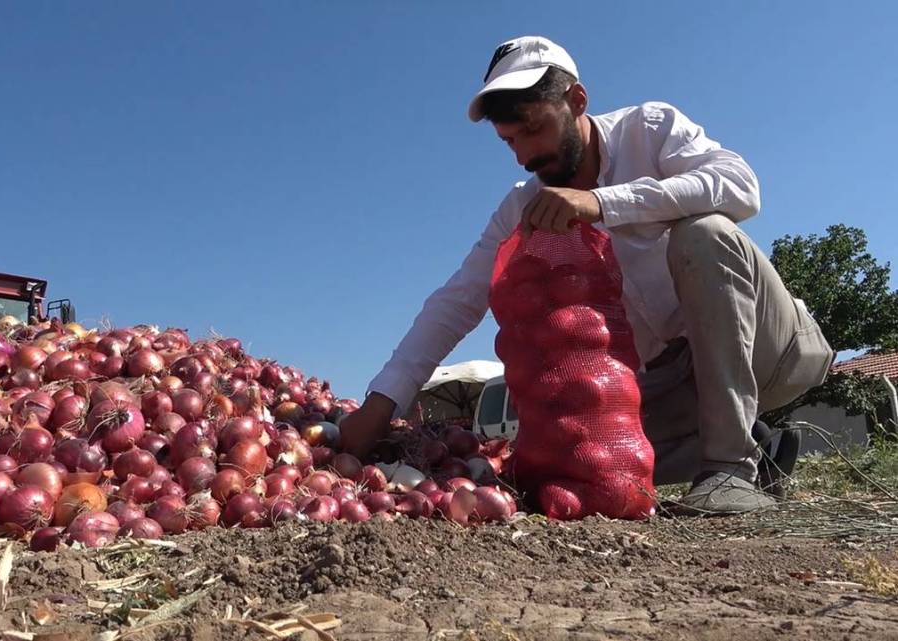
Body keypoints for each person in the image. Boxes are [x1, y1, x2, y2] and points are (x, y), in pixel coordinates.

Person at [339, 36, 836, 514]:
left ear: (577, 100)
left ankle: (730, 465)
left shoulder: (650, 128)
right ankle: (764, 449)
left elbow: (741, 187)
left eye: (533, 129)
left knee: (703, 233)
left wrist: (601, 203)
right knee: (577, 463)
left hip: (766, 353)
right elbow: (457, 301)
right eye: (509, 141)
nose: (524, 155)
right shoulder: (522, 207)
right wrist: (383, 403)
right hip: (672, 383)